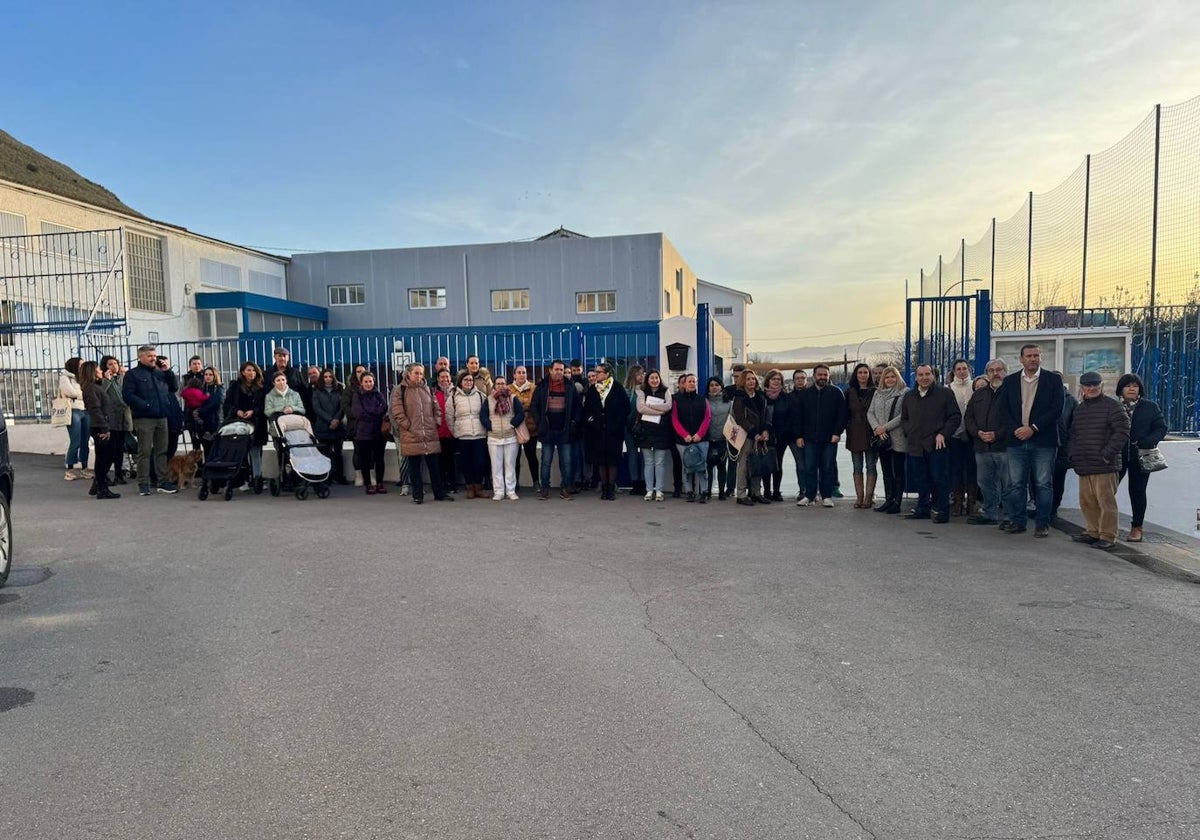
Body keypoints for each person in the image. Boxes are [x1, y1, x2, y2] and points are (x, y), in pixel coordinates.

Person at [998, 344, 1065, 537]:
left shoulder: (1052, 380)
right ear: (1021, 359)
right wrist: (1016, 430)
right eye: (1029, 356)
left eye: (1036, 355)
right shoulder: (1010, 381)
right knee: (1016, 483)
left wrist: (1033, 428)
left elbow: (1056, 409)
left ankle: (1042, 524)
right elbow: (1003, 409)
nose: (1033, 359)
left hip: (1043, 440)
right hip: (1016, 440)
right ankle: (1018, 521)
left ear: (1040, 358)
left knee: (1043, 484)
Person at [1068, 371, 1130, 551]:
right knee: (1087, 502)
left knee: (1106, 503)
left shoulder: (1113, 406)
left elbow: (1123, 432)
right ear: (1082, 388)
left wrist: (1106, 454)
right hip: (1084, 464)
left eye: (1095, 384)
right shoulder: (1080, 409)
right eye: (1088, 385)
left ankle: (1108, 536)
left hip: (1105, 465)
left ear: (1101, 386)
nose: (1092, 388)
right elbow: (1073, 435)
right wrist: (1073, 454)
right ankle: (1093, 532)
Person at [900, 363, 960, 523]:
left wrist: (943, 433)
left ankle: (943, 511)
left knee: (940, 479)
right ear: (916, 377)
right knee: (920, 479)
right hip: (915, 445)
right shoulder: (910, 396)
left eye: (927, 374)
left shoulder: (945, 393)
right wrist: (909, 431)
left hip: (936, 444)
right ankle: (923, 509)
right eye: (920, 375)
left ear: (933, 375)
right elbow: (904, 418)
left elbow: (955, 417)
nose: (924, 378)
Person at [1115, 373, 1168, 543]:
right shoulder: (1113, 406)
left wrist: (1147, 441)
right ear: (1121, 389)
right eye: (1128, 385)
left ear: (1140, 389)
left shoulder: (1150, 407)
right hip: (1116, 456)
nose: (1131, 388)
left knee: (1137, 492)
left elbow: (1161, 428)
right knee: (1107, 492)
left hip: (1141, 457)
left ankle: (1137, 527)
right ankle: (1104, 526)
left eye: (1135, 386)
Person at [392, 363, 451, 504]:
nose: (419, 376)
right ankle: (418, 495)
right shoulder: (400, 390)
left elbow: (436, 407)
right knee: (415, 467)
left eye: (420, 373)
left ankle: (439, 493)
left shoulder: (428, 389)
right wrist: (408, 425)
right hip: (412, 434)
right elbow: (397, 411)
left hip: (429, 433)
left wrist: (436, 422)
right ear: (409, 374)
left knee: (434, 466)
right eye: (416, 373)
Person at [123, 345, 178, 495]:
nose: (153, 358)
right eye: (150, 356)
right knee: (144, 452)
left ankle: (162, 481)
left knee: (162, 451)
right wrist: (146, 405)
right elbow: (128, 395)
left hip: (162, 416)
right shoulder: (133, 375)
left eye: (154, 355)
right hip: (144, 418)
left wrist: (168, 371)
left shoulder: (159, 373)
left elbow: (173, 388)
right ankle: (143, 483)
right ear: (141, 357)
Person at [963, 359, 1010, 526]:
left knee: (1008, 483)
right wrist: (978, 433)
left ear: (1005, 371)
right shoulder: (979, 394)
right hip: (982, 447)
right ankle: (989, 513)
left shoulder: (1012, 393)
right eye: (991, 370)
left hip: (1004, 447)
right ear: (987, 373)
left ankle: (1010, 516)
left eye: (999, 370)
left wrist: (997, 434)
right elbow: (968, 417)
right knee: (985, 482)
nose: (995, 373)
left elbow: (1016, 419)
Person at [796, 364, 847, 508]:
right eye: (820, 375)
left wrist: (837, 433)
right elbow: (798, 417)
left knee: (827, 468)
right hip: (809, 439)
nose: (823, 377)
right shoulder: (805, 394)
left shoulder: (836, 393)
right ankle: (809, 496)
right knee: (810, 468)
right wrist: (799, 436)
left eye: (825, 375)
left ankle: (827, 496)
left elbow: (842, 415)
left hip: (829, 439)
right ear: (814, 376)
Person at [530, 360, 579, 500]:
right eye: (556, 369)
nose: (559, 372)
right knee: (546, 461)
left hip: (565, 431)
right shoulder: (542, 386)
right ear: (550, 370)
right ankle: (544, 489)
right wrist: (539, 422)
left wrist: (574, 422)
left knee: (567, 462)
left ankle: (565, 488)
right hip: (547, 431)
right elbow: (534, 406)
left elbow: (577, 407)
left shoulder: (570, 386)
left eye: (561, 370)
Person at [582, 362, 631, 501]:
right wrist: (592, 421)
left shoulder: (617, 387)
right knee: (601, 460)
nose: (596, 375)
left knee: (613, 460)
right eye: (596, 372)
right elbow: (587, 409)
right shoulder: (593, 389)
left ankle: (611, 487)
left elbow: (625, 408)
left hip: (614, 430)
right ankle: (604, 488)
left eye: (599, 372)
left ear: (607, 374)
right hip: (598, 430)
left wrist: (617, 423)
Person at [79, 360, 123, 499]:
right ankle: (102, 487)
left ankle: (99, 484)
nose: (100, 371)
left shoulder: (95, 386)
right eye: (97, 369)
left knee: (105, 456)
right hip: (100, 426)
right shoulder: (90, 389)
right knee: (104, 457)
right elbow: (95, 410)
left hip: (103, 425)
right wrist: (104, 428)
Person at [868, 365, 909, 514]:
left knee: (898, 471)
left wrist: (884, 427)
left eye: (893, 376)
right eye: (887, 377)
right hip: (882, 438)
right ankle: (888, 500)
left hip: (897, 437)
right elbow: (870, 413)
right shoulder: (877, 393)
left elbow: (903, 415)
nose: (890, 379)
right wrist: (876, 428)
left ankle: (896, 502)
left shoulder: (904, 393)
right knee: (886, 472)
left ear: (897, 377)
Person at [224, 362, 268, 492]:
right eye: (249, 370)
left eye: (254, 371)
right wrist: (236, 411)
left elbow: (264, 405)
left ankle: (257, 479)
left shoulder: (261, 387)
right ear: (243, 372)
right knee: (241, 453)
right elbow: (227, 404)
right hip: (239, 423)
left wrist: (254, 411)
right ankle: (243, 480)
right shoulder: (235, 386)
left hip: (257, 424)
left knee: (256, 453)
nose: (252, 373)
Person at [481, 375, 524, 500]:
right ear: (494, 385)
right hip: (494, 438)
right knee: (496, 466)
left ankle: (511, 490)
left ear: (506, 385)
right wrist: (490, 426)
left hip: (510, 437)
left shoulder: (513, 398)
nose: (500, 385)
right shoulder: (488, 400)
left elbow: (520, 413)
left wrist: (512, 424)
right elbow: (483, 416)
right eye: (498, 383)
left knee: (510, 465)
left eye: (503, 383)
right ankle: (498, 491)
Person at [634, 369, 674, 501]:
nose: (654, 380)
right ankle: (649, 490)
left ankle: (659, 491)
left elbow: (668, 406)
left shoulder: (666, 391)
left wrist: (649, 406)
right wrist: (658, 411)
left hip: (661, 431)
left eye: (656, 378)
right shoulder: (641, 391)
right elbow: (641, 408)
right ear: (647, 380)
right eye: (652, 378)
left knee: (660, 462)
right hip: (646, 431)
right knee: (649, 462)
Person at [672, 374, 711, 503]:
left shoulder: (702, 399)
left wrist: (699, 434)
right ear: (683, 384)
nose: (692, 384)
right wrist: (685, 435)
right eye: (689, 381)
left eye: (694, 381)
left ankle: (704, 491)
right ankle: (689, 491)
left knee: (701, 466)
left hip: (702, 439)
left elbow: (707, 418)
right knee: (686, 466)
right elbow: (675, 420)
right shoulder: (677, 401)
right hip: (683, 441)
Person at [731, 369, 768, 506]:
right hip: (746, 436)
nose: (751, 381)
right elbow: (740, 418)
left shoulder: (760, 396)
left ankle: (756, 493)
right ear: (742, 382)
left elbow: (764, 415)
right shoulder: (739, 397)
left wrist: (764, 430)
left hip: (760, 436)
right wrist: (754, 433)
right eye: (748, 379)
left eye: (753, 379)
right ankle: (741, 494)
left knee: (757, 464)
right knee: (744, 465)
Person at [843, 363, 878, 509]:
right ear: (855, 375)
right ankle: (859, 497)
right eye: (860, 372)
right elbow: (844, 413)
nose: (863, 375)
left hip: (871, 432)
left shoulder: (876, 391)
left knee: (871, 465)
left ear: (869, 374)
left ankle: (868, 497)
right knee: (857, 466)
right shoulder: (849, 392)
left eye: (865, 372)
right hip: (855, 433)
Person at [448, 371, 488, 498]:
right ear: (460, 382)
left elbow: (486, 414)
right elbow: (449, 417)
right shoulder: (453, 396)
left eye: (470, 380)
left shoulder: (481, 396)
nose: (468, 382)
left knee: (480, 462)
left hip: (479, 434)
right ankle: (470, 487)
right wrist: (455, 432)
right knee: (466, 463)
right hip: (463, 435)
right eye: (466, 380)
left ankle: (478, 487)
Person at [947, 359, 977, 516]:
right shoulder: (948, 389)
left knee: (972, 469)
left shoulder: (975, 386)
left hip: (973, 435)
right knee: (956, 469)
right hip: (955, 435)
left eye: (964, 368)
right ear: (954, 371)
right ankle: (958, 501)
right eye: (958, 369)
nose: (962, 371)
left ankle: (971, 502)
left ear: (969, 370)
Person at [351, 371, 389, 494]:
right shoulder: (357, 395)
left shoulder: (378, 394)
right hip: (363, 434)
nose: (368, 384)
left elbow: (384, 407)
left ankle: (379, 482)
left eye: (370, 381)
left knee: (379, 459)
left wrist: (371, 412)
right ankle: (368, 484)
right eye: (366, 381)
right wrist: (375, 412)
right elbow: (359, 413)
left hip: (378, 433)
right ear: (361, 383)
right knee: (365, 460)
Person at [762, 369, 795, 503]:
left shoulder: (786, 397)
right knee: (765, 464)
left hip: (781, 436)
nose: (776, 381)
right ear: (768, 381)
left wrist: (784, 432)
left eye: (778, 379)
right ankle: (766, 491)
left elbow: (791, 417)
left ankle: (776, 491)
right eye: (773, 379)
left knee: (777, 464)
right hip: (765, 436)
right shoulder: (762, 396)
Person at [312, 368, 349, 485]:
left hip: (338, 426)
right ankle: (326, 477)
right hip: (323, 426)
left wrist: (337, 419)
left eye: (330, 377)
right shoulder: (317, 391)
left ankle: (339, 476)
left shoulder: (340, 389)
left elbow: (343, 406)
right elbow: (317, 408)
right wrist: (330, 420)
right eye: (325, 377)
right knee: (324, 453)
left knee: (338, 452)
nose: (328, 379)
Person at [59, 357, 91, 481]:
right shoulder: (65, 377)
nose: (82, 367)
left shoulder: (83, 378)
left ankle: (84, 467)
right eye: (80, 365)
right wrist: (84, 395)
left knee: (85, 441)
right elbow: (70, 392)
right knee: (75, 441)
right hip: (73, 410)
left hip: (85, 410)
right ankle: (70, 469)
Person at [509, 366, 539, 491]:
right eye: (519, 373)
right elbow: (508, 406)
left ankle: (536, 482)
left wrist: (519, 405)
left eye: (524, 373)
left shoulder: (534, 388)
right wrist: (524, 405)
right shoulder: (508, 389)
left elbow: (534, 405)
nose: (522, 375)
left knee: (531, 456)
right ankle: (515, 483)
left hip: (531, 427)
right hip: (514, 428)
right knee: (514, 457)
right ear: (514, 375)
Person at [705, 376, 732, 501]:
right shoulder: (704, 402)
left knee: (722, 467)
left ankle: (721, 492)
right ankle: (708, 491)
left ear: (721, 386)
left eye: (716, 385)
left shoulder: (729, 403)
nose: (714, 387)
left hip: (722, 440)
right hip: (708, 440)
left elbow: (732, 422)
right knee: (708, 468)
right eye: (711, 385)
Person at [433, 368, 458, 493]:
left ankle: (453, 484)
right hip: (438, 432)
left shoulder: (456, 392)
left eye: (447, 377)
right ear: (438, 379)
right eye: (442, 377)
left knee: (452, 460)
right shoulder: (433, 393)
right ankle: (442, 484)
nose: (445, 379)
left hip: (452, 431)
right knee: (440, 461)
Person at [623, 366, 646, 496]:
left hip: (644, 427)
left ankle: (643, 481)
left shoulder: (646, 391)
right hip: (628, 427)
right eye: (638, 374)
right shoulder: (626, 391)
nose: (641, 376)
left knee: (644, 455)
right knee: (632, 453)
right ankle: (635, 482)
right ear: (633, 376)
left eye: (643, 374)